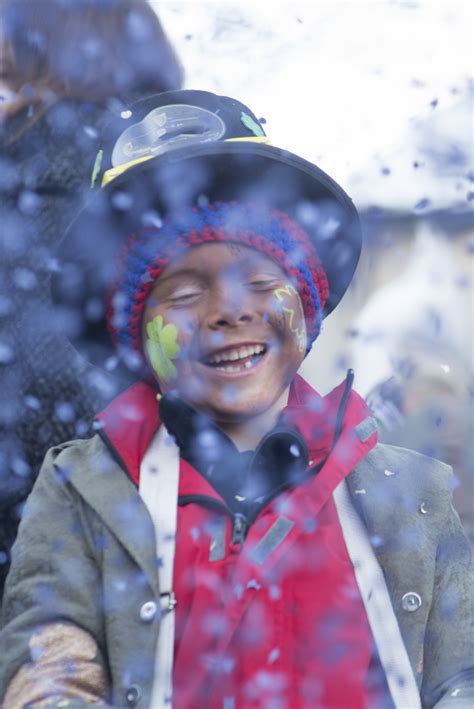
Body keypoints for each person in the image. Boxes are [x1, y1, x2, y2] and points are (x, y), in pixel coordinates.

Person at [0, 90, 472, 708]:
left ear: (304, 306)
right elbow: (50, 675)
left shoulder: (412, 495)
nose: (230, 311)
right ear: (138, 337)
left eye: (259, 280)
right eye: (186, 292)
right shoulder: (82, 492)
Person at [0, 0, 183, 599]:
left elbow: (39, 386)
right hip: (167, 538)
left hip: (32, 543)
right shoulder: (193, 174)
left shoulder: (23, 171)